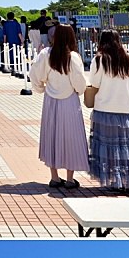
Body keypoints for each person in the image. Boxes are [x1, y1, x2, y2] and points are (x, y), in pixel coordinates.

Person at [88, 31, 129, 195]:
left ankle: (116, 181)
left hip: (105, 109)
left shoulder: (100, 59)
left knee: (109, 147)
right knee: (128, 146)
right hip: (127, 109)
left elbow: (93, 82)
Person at [29, 23, 88, 189]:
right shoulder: (73, 57)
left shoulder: (45, 54)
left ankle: (54, 177)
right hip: (69, 101)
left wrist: (41, 88)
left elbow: (34, 75)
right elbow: (80, 84)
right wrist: (80, 90)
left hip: (51, 101)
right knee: (71, 137)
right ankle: (70, 179)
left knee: (51, 136)